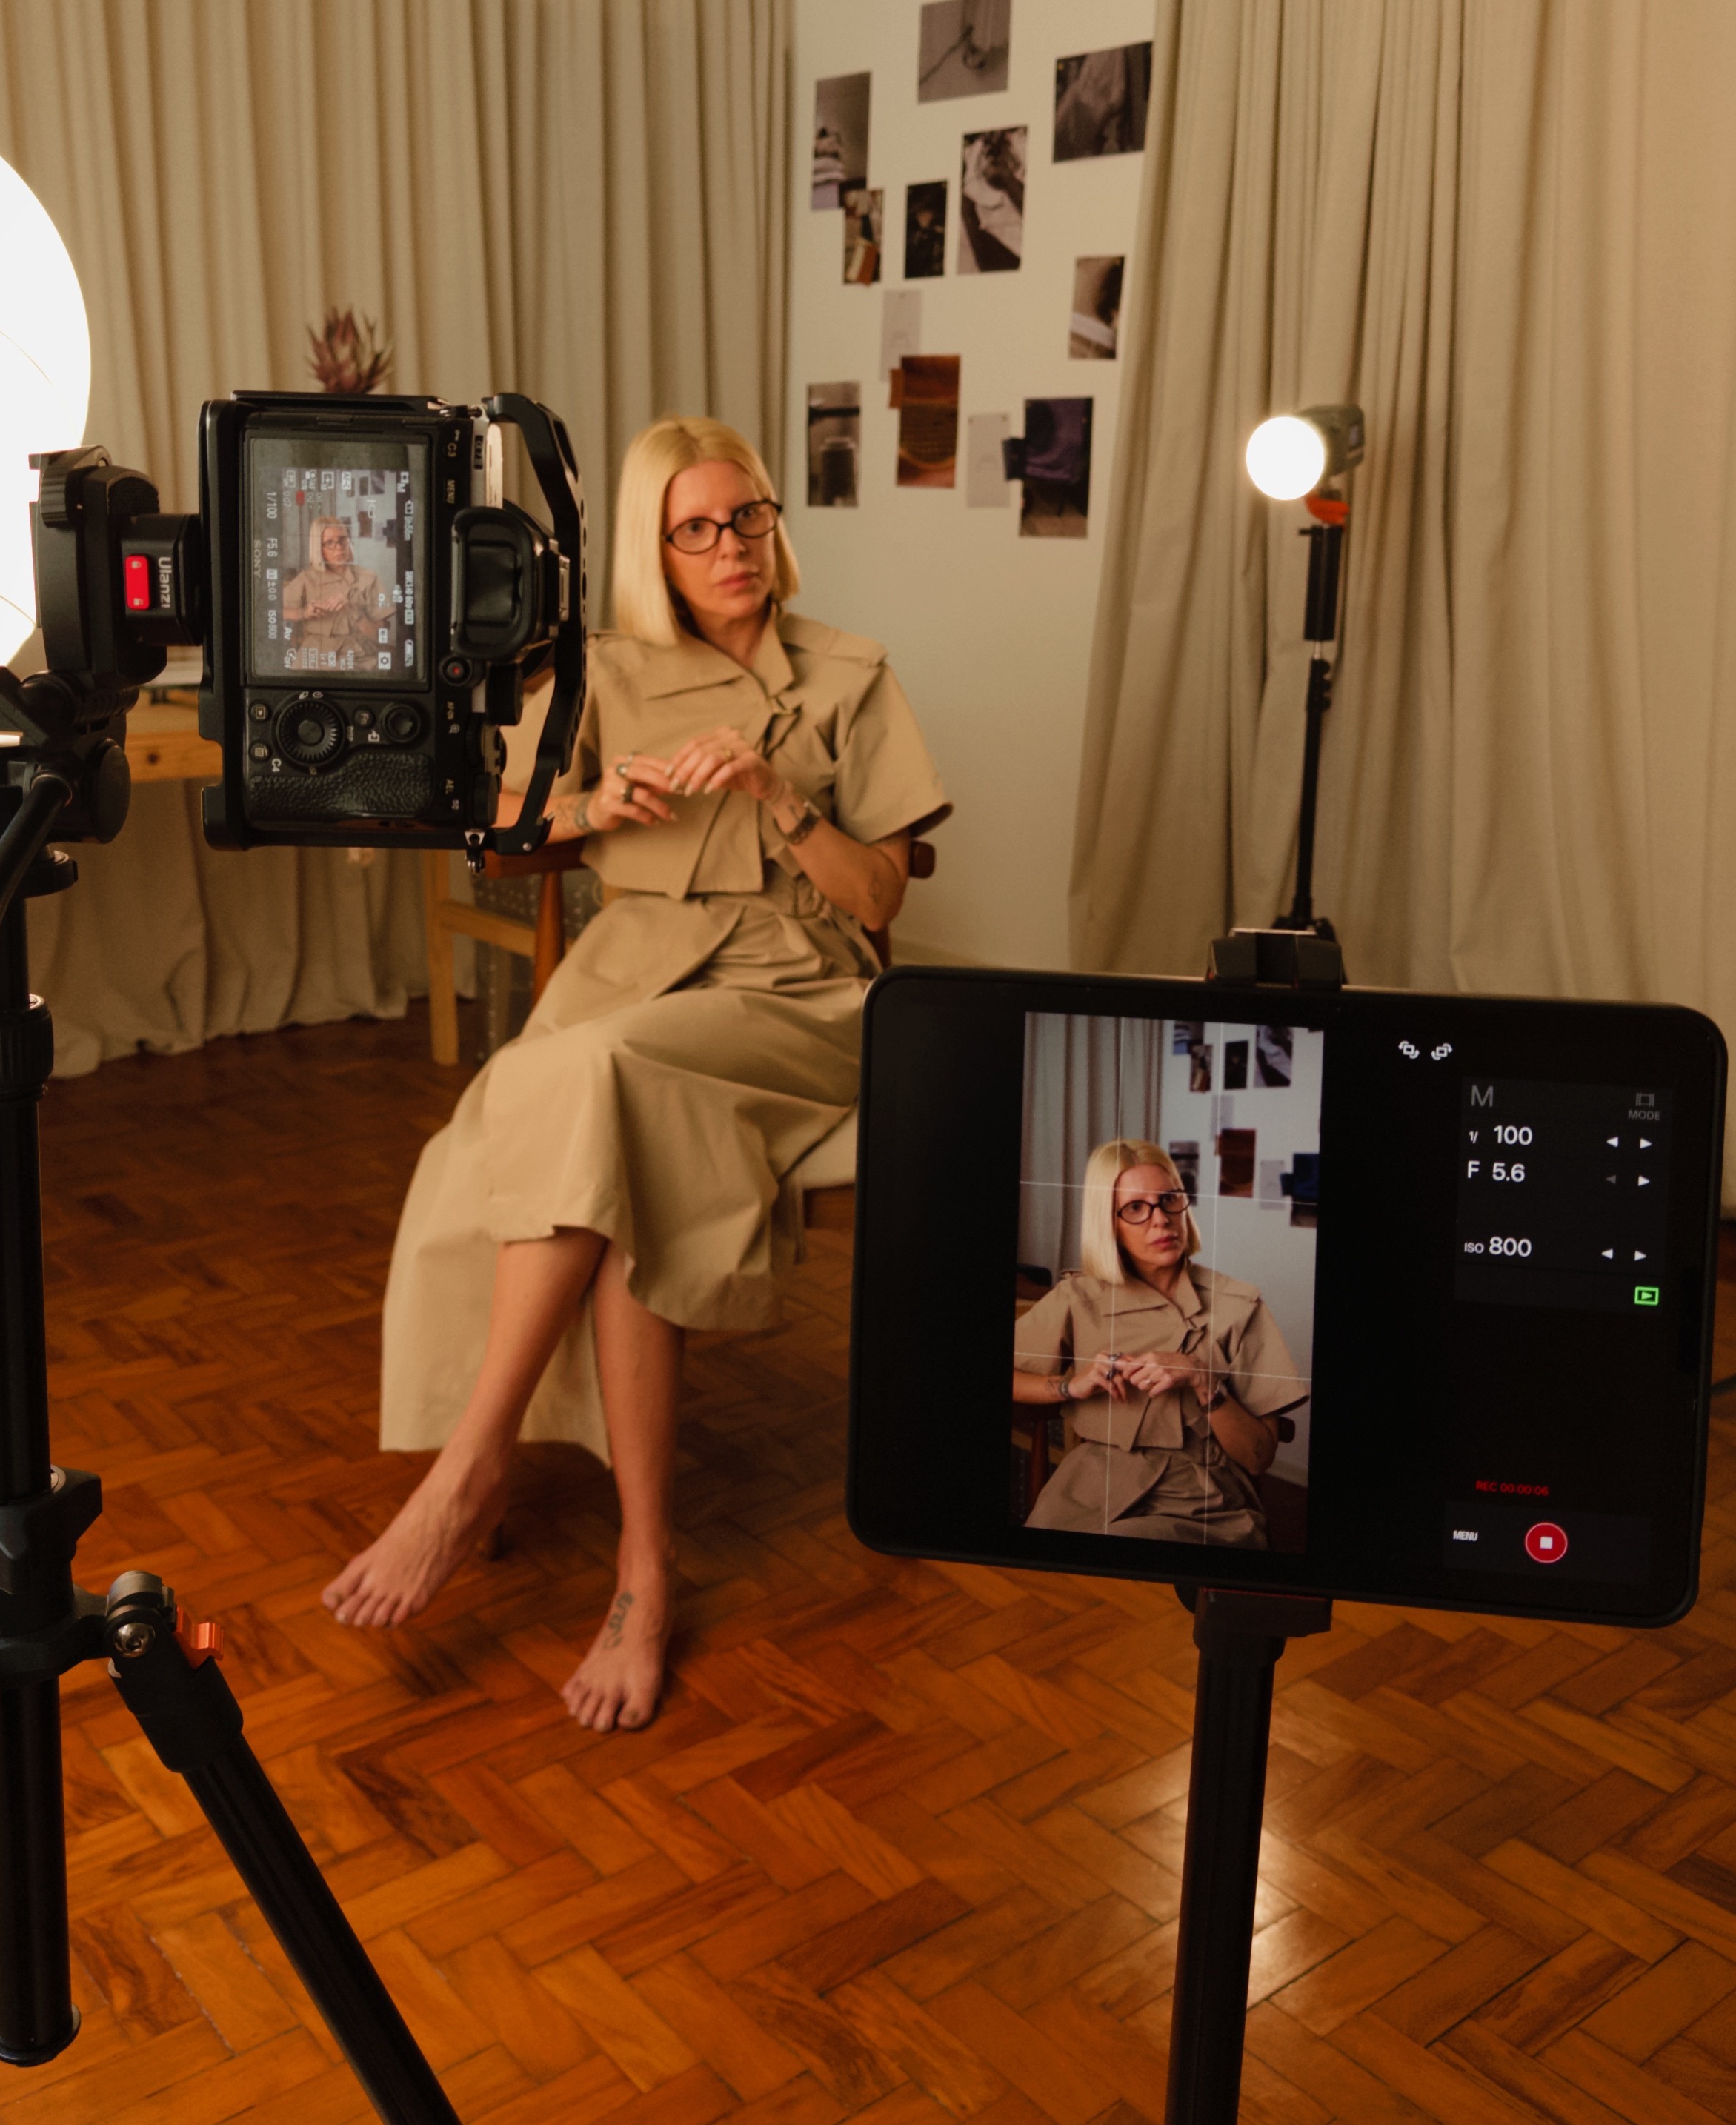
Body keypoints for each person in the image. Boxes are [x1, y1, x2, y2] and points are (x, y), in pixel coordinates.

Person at [325, 416, 949, 1730]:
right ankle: (643, 1571)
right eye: (695, 528)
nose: (731, 547)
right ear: (654, 552)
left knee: (581, 1076)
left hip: (803, 993)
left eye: (749, 517)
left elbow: (882, 896)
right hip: (632, 976)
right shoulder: (600, 672)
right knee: (604, 1145)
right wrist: (590, 810)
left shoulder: (849, 671)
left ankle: (470, 1467)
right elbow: (502, 831)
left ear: (777, 522)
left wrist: (781, 796)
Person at [1014, 1140, 1306, 1546]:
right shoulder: (1079, 1296)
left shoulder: (1240, 1306)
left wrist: (1205, 1382)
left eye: (1170, 1200)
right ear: (1108, 1222)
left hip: (1203, 1496)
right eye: (1135, 1208)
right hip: (1090, 1481)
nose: (1161, 1220)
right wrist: (1069, 1385)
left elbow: (1259, 1457)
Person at [280, 514, 391, 669]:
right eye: (330, 543)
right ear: (318, 548)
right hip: (315, 654)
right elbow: (271, 610)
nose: (339, 548)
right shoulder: (307, 578)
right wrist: (303, 613)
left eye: (342, 540)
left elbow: (380, 637)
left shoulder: (368, 578)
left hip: (359, 654)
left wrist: (353, 611)